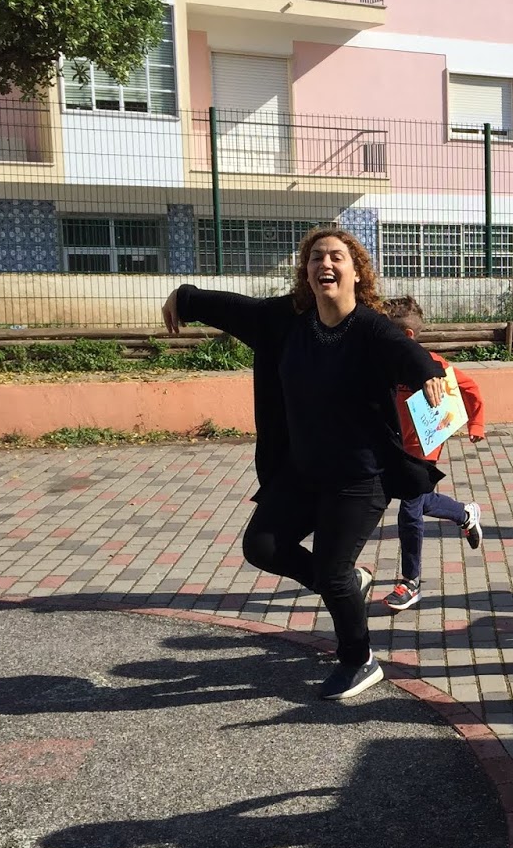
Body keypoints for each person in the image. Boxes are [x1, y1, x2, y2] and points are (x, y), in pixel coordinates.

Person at [161, 227, 445, 701]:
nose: (324, 264)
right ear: (306, 272)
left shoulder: (371, 329)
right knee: (263, 547)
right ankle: (349, 583)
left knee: (332, 573)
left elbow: (408, 353)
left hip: (359, 477)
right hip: (302, 471)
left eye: (336, 257)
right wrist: (184, 297)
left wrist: (427, 373)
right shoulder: (286, 321)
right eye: (316, 257)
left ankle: (359, 660)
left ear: (357, 273)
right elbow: (236, 309)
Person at [381, 298, 486, 611]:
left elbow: (471, 388)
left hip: (423, 449)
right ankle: (465, 514)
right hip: (393, 447)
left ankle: (410, 582)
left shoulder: (433, 364)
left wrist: (476, 424)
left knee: (409, 510)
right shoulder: (384, 363)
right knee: (422, 501)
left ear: (406, 337)